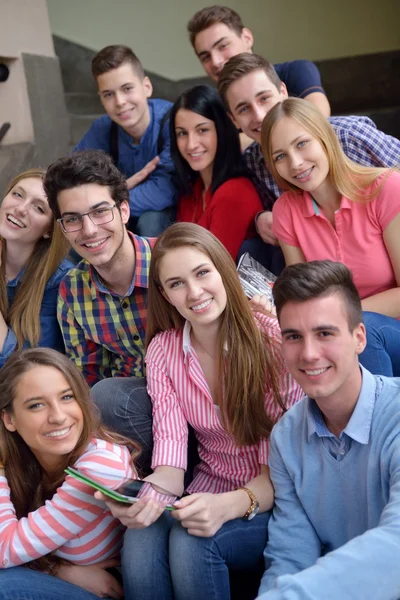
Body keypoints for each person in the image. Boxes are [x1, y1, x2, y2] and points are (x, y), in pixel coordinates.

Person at [97, 222, 303, 600]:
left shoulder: (273, 341)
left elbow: (279, 472)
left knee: (191, 541)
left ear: (222, 270)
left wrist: (227, 506)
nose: (194, 292)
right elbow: (172, 462)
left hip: (271, 498)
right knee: (141, 535)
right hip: (206, 487)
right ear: (165, 294)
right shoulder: (163, 350)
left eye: (202, 273)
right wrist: (144, 500)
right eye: (176, 283)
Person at [257, 260, 400, 600]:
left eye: (325, 333)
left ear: (359, 338)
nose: (308, 353)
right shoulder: (285, 437)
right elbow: (290, 556)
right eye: (293, 336)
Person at [217, 53, 400, 273]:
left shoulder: (350, 136)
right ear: (234, 120)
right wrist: (259, 219)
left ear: (283, 92)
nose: (260, 115)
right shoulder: (254, 162)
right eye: (244, 109)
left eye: (264, 98)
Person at [261, 97, 400, 376]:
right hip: (332, 334)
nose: (296, 163)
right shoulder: (286, 211)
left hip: (387, 329)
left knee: (365, 331)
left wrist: (334, 316)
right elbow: (303, 294)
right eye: (280, 156)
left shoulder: (386, 188)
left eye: (302, 144)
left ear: (324, 138)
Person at [44, 150, 154, 473]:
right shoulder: (73, 292)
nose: (89, 230)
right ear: (63, 229)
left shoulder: (172, 261)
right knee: (100, 397)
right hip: (134, 419)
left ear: (123, 210)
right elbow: (89, 375)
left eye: (100, 212)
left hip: (198, 407)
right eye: (73, 219)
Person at [0, 347, 140, 600]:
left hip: (113, 592)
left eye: (67, 397)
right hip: (66, 584)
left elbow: (4, 549)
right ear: (9, 419)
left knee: (4, 586)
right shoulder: (21, 466)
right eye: (36, 405)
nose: (58, 416)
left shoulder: (100, 465)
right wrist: (62, 570)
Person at [74, 45, 178, 237]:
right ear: (101, 100)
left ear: (146, 87)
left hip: (164, 211)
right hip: (117, 208)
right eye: (108, 94)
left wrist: (111, 196)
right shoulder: (103, 128)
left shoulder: (172, 121)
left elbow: (164, 189)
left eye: (127, 88)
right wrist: (116, 193)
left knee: (151, 221)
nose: (120, 101)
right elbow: (74, 176)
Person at [170, 84, 263, 260]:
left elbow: (214, 267)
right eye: (182, 133)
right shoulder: (191, 190)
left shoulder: (234, 192)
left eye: (202, 130)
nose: (191, 144)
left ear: (222, 130)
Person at [187, 5, 330, 117]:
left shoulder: (295, 71)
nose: (216, 61)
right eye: (205, 57)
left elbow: (319, 118)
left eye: (223, 46)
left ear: (247, 38)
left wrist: (239, 142)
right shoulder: (210, 105)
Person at [0, 168, 71, 367]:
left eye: (38, 208)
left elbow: (26, 366)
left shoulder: (59, 280)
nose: (20, 209)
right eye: (17, 194)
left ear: (49, 229)